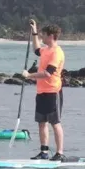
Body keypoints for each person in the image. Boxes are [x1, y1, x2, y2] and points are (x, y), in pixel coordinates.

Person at [22, 19, 66, 161]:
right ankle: (44, 152)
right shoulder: (46, 50)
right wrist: (34, 31)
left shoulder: (56, 53)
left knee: (55, 123)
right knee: (41, 123)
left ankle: (59, 153)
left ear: (51, 36)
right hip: (41, 92)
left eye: (44, 35)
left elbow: (47, 73)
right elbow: (36, 49)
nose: (42, 37)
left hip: (53, 92)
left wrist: (29, 75)